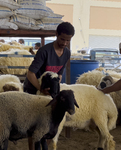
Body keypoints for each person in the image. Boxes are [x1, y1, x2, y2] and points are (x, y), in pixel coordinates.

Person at [23, 22, 75, 150]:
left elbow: (60, 74)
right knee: (34, 124)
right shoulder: (44, 51)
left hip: (50, 90)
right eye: (62, 39)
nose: (64, 43)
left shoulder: (67, 53)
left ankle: (45, 144)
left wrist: (55, 90)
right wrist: (40, 89)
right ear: (56, 34)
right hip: (34, 88)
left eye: (68, 40)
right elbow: (31, 73)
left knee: (51, 122)